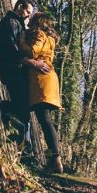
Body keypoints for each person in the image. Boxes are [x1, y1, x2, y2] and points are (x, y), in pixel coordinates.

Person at [0, 0, 49, 153]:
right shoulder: (10, 23)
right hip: (13, 71)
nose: (28, 17)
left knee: (23, 108)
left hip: (16, 71)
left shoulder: (16, 23)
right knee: (23, 110)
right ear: (19, 7)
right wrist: (34, 63)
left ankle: (24, 149)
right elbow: (12, 52)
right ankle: (24, 150)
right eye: (27, 12)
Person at [22, 12, 64, 174]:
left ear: (38, 22)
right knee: (45, 120)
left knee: (45, 120)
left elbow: (32, 52)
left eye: (32, 19)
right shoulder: (51, 38)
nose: (29, 21)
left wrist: (21, 41)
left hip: (40, 79)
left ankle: (56, 160)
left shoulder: (39, 34)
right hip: (49, 77)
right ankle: (55, 159)